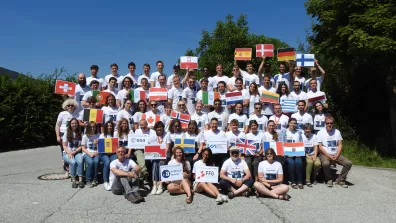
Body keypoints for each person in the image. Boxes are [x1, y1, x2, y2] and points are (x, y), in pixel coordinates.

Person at [317, 116, 352, 188]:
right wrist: (329, 156)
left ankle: (340, 180)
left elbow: (340, 144)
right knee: (326, 163)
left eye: (331, 123)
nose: (329, 124)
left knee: (348, 163)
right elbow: (319, 147)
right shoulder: (320, 132)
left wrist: (337, 154)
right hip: (324, 154)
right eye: (327, 123)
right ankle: (329, 179)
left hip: (336, 154)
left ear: (333, 124)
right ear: (325, 124)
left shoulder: (337, 132)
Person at [55, 99, 79, 176]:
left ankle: (74, 169)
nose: (70, 107)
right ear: (66, 106)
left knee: (73, 151)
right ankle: (66, 170)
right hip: (63, 135)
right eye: (69, 105)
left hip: (73, 135)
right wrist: (58, 135)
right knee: (64, 152)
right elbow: (57, 125)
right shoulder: (62, 114)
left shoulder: (76, 114)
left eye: (72, 105)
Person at [279, 118, 304, 189]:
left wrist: (300, 152)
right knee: (291, 163)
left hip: (297, 153)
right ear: (288, 123)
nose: (293, 125)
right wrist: (286, 153)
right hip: (287, 154)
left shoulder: (298, 133)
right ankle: (292, 181)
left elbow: (301, 143)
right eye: (291, 123)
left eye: (294, 123)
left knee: (298, 162)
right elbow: (280, 144)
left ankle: (299, 181)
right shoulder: (283, 132)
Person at [149, 121, 171, 195]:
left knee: (161, 163)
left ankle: (161, 185)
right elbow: (150, 146)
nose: (159, 131)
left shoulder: (167, 135)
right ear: (155, 129)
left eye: (161, 129)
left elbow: (167, 146)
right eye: (158, 129)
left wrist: (163, 155)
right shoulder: (152, 135)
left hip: (165, 155)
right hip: (155, 155)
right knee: (155, 164)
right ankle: (154, 185)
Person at [62, 118, 84, 188]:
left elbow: (82, 145)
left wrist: (75, 151)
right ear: (70, 124)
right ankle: (74, 180)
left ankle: (80, 180)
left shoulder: (81, 133)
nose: (74, 125)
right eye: (72, 123)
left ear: (77, 124)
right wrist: (69, 153)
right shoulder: (66, 132)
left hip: (77, 152)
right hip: (67, 153)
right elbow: (64, 145)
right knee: (73, 162)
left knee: (80, 161)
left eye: (75, 123)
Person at [81, 121, 101, 187]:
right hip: (87, 153)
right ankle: (88, 179)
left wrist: (97, 152)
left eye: (94, 127)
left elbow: (101, 147)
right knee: (90, 162)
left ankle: (95, 178)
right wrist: (89, 153)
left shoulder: (99, 135)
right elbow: (83, 148)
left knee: (96, 161)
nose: (93, 128)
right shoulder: (85, 136)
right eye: (91, 127)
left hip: (96, 152)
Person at [99, 121, 117, 191]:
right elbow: (100, 148)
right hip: (104, 154)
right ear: (105, 127)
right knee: (107, 162)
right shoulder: (102, 135)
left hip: (112, 153)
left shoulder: (115, 135)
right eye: (108, 126)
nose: (109, 127)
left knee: (113, 162)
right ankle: (106, 182)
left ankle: (112, 180)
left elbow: (116, 146)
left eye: (111, 126)